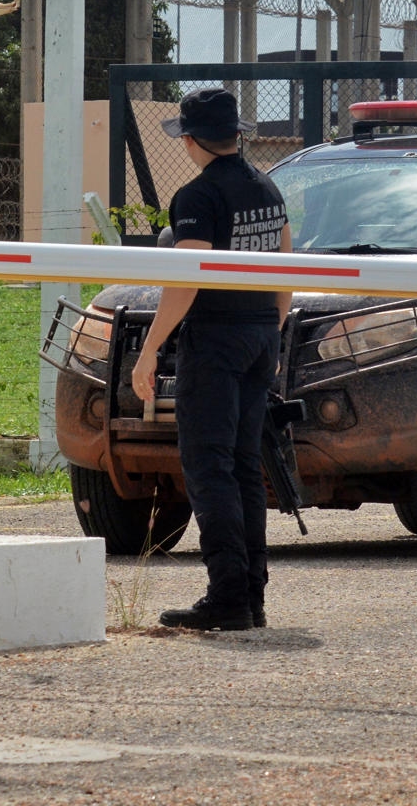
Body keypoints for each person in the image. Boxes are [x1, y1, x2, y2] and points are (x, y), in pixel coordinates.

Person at [132, 88, 291, 631]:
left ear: (192, 139)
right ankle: (251, 596)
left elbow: (186, 276)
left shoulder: (196, 198)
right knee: (245, 466)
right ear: (239, 135)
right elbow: (286, 263)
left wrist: (151, 348)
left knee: (208, 466)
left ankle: (227, 596)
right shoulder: (268, 188)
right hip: (260, 334)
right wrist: (273, 330)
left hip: (218, 340)